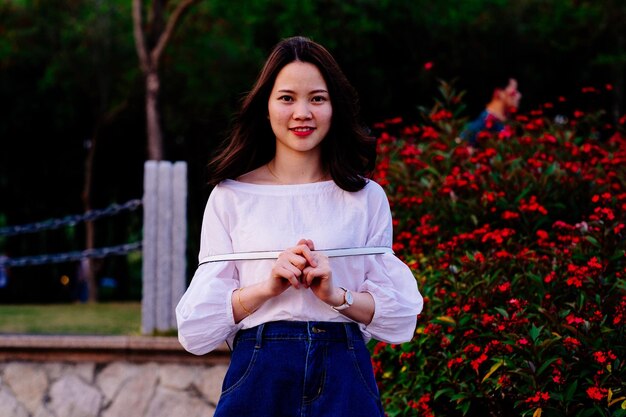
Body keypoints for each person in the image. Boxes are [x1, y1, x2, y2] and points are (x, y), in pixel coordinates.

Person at [176, 36, 423, 417]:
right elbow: (195, 329)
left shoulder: (366, 197)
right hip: (260, 376)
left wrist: (336, 295)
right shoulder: (231, 196)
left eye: (317, 99)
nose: (302, 112)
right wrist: (267, 287)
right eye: (287, 98)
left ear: (334, 107)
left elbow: (401, 318)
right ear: (266, 106)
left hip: (345, 374)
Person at [459, 77, 522, 147]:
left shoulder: (504, 124)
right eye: (514, 91)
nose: (519, 95)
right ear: (499, 93)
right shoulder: (482, 124)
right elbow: (460, 145)